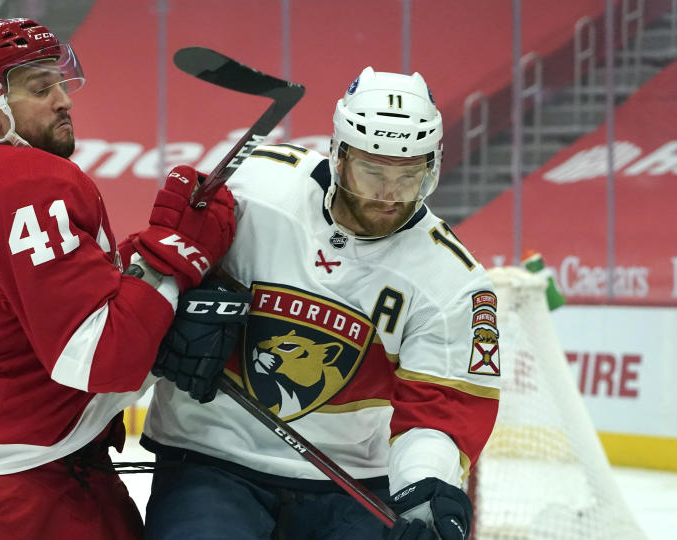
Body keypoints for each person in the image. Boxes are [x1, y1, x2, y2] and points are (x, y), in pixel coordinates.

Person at [0, 18, 236, 540]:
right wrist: (172, 254)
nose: (64, 100)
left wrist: (135, 262)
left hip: (44, 476)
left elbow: (47, 305)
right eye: (40, 88)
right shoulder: (26, 176)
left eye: (59, 82)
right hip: (2, 496)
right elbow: (99, 358)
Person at [141, 68, 502, 540]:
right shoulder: (254, 189)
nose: (389, 194)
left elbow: (441, 413)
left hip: (348, 483)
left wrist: (424, 489)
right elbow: (154, 291)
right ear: (339, 153)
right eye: (373, 172)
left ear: (430, 166)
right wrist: (166, 314)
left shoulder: (453, 281)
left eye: (408, 174)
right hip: (211, 456)